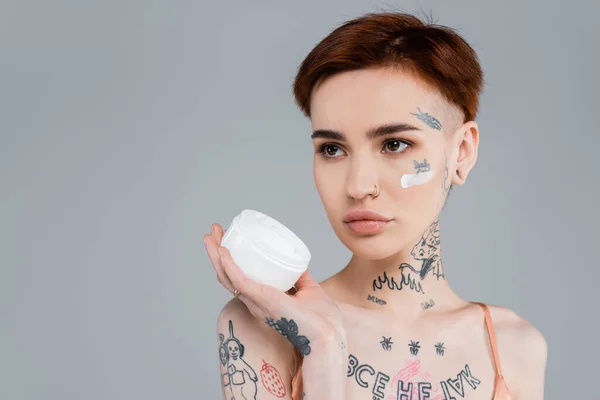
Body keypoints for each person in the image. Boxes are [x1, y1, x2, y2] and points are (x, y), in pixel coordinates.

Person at [204, 10, 547, 400]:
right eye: (332, 149)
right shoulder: (264, 326)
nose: (358, 185)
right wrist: (322, 347)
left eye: (395, 144)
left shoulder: (514, 347)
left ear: (462, 152)